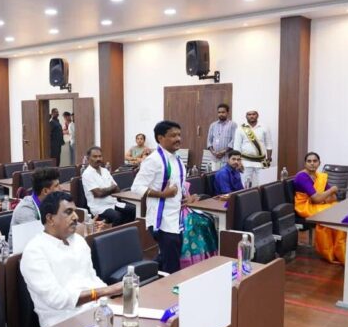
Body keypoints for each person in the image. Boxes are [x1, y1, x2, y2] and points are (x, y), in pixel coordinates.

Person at [20, 191, 123, 327]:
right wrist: (106, 291)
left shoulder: (79, 241)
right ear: (50, 218)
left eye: (74, 211)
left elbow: (92, 279)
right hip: (62, 322)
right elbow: (57, 300)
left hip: (97, 311)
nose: (75, 217)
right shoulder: (34, 251)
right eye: (68, 212)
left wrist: (110, 299)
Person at [131, 120, 197, 273]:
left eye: (179, 135)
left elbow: (178, 185)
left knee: (169, 256)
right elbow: (136, 187)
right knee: (172, 264)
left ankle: (145, 274)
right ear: (160, 138)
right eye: (173, 136)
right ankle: (168, 286)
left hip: (176, 217)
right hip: (161, 220)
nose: (178, 139)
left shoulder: (177, 159)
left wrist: (187, 197)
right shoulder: (153, 160)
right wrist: (162, 194)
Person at [293, 152, 346, 264]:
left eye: (315, 161)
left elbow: (333, 198)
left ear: (319, 163)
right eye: (309, 161)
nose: (312, 163)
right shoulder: (302, 176)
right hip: (305, 207)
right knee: (330, 214)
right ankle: (332, 254)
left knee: (340, 210)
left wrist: (325, 197)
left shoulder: (319, 177)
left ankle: (342, 251)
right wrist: (331, 191)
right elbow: (317, 198)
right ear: (305, 163)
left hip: (316, 205)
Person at [82, 146, 135, 226]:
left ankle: (126, 230)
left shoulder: (105, 171)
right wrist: (111, 188)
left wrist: (106, 190)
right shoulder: (87, 174)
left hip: (113, 203)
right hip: (99, 207)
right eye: (95, 157)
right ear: (88, 158)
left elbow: (117, 190)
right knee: (117, 216)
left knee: (133, 210)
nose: (98, 159)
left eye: (100, 156)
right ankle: (115, 233)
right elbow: (98, 194)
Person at [8, 167, 60, 247]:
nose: (61, 189)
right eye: (56, 186)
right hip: (22, 253)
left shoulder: (50, 204)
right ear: (45, 191)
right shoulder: (25, 209)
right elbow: (39, 241)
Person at [232, 110, 273, 187]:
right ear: (246, 116)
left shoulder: (264, 127)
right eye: (249, 114)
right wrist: (238, 162)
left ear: (257, 115)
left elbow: (269, 144)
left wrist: (269, 158)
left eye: (254, 114)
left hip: (261, 162)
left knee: (263, 185)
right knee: (245, 186)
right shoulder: (240, 128)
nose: (251, 116)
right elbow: (237, 147)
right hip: (245, 162)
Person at [207, 103, 238, 170]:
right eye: (219, 112)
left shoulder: (233, 125)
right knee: (215, 175)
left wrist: (223, 152)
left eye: (223, 112)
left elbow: (234, 141)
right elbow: (209, 141)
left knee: (225, 176)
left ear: (227, 113)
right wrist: (213, 152)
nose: (221, 114)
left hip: (226, 159)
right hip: (215, 159)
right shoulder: (213, 125)